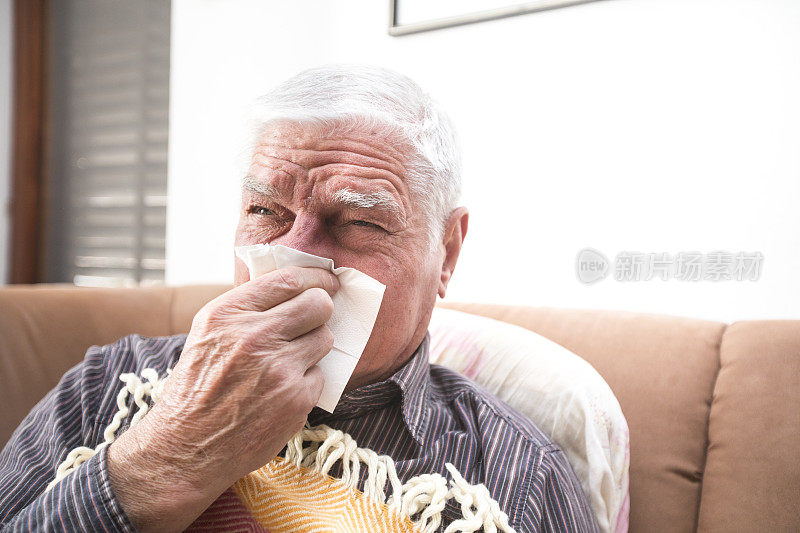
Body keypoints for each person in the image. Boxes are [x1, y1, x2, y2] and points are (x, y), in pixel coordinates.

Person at [0, 65, 598, 532]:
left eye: (357, 222)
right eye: (264, 211)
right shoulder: (108, 386)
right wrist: (167, 454)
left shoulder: (514, 478)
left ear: (447, 251)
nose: (295, 255)